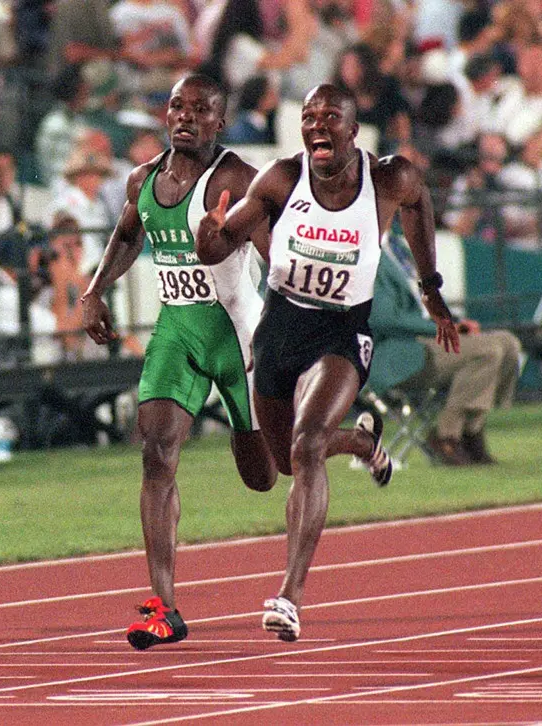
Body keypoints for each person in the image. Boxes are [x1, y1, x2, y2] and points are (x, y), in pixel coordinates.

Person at [196, 83, 460, 642]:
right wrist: (208, 238)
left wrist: (430, 287)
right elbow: (222, 245)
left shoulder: (389, 178)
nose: (318, 124)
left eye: (330, 116)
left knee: (307, 443)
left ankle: (289, 595)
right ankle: (364, 443)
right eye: (309, 116)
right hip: (281, 325)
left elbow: (420, 208)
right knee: (286, 462)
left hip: (342, 329)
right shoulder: (280, 180)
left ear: (352, 129)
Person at [80, 74, 281, 650]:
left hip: (238, 329)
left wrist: (290, 321)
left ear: (221, 120)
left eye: (201, 108)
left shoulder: (238, 178)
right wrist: (95, 290)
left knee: (264, 475)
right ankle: (164, 605)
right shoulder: (142, 178)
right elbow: (126, 236)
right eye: (176, 106)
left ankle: (351, 441)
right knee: (156, 450)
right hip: (178, 327)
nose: (186, 116)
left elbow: (273, 256)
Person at [368, 236, 521, 466]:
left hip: (423, 338)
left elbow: (418, 305)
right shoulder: (371, 253)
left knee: (509, 344)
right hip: (396, 351)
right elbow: (384, 319)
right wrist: (439, 328)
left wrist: (452, 322)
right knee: (488, 350)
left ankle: (471, 430)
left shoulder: (397, 247)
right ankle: (446, 435)